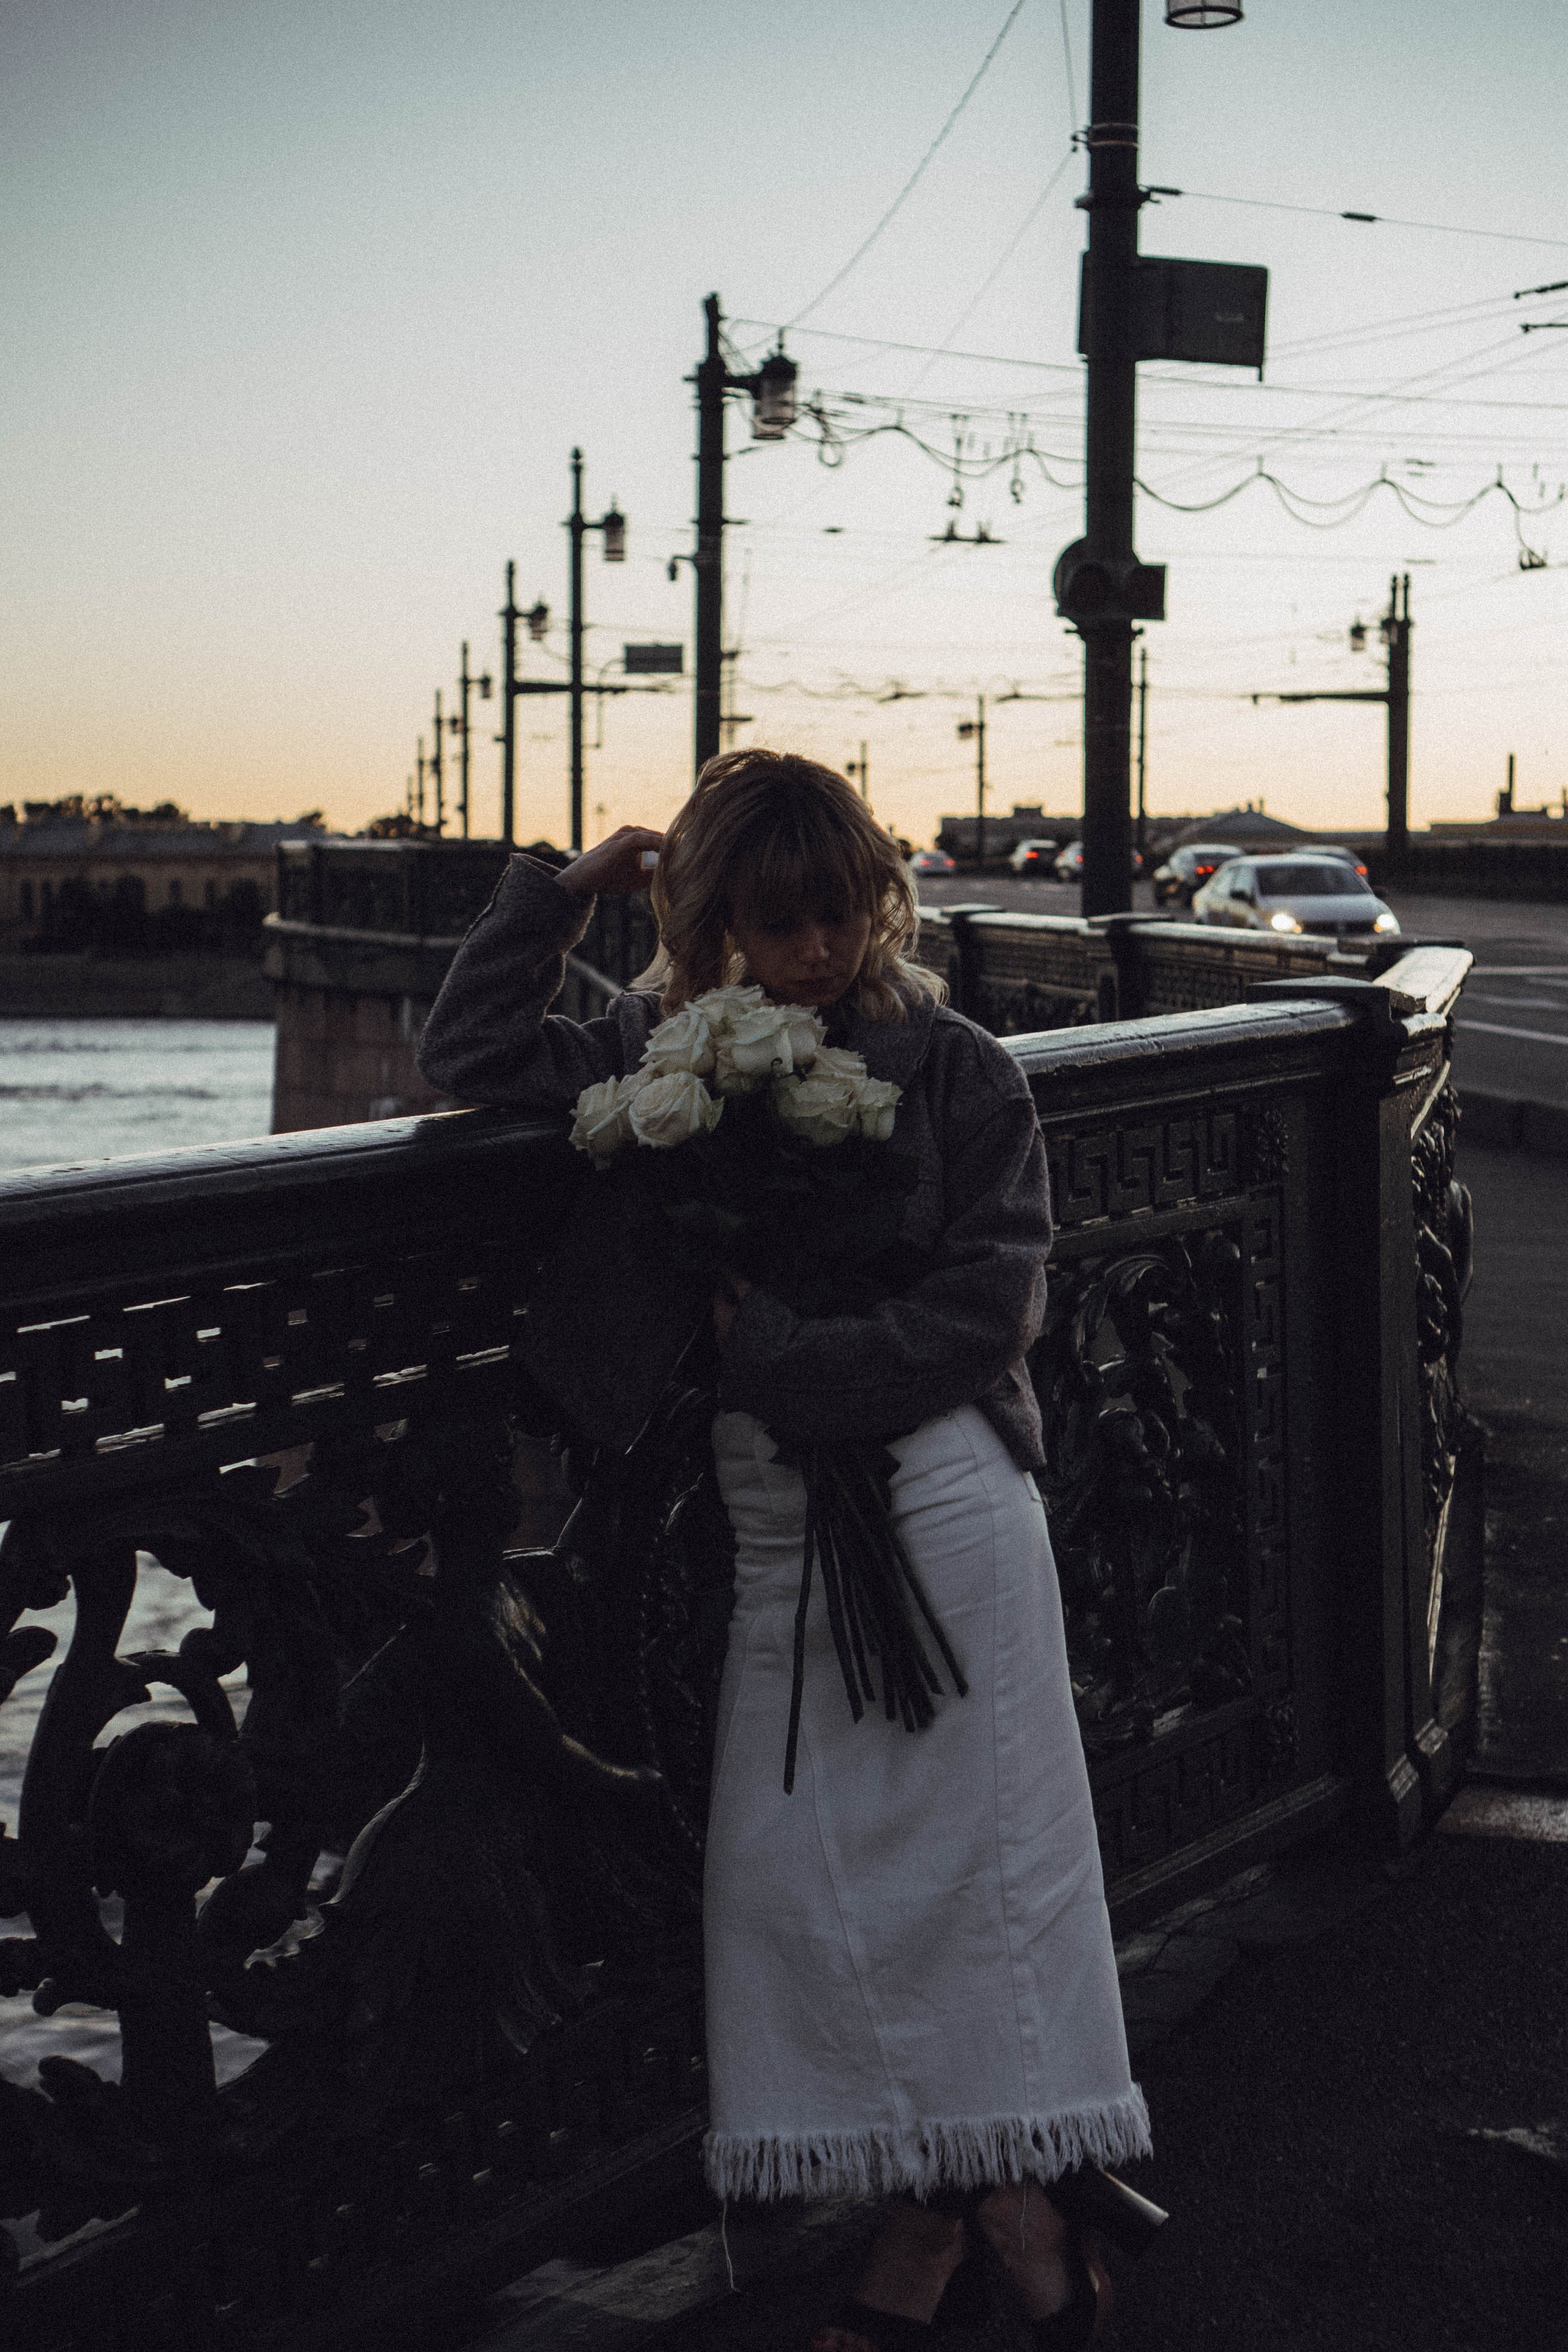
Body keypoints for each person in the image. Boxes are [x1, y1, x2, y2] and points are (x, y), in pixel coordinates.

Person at [417, 750, 1152, 2350]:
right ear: (714, 919)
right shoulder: (661, 1042)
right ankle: (1006, 2211)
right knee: (796, 1888)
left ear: (881, 902)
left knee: (969, 1890)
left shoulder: (957, 1067)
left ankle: (958, 2222)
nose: (810, 952)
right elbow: (468, 1052)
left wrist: (789, 1364)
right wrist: (561, 893)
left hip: (945, 1504)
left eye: (837, 915)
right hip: (777, 1521)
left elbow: (987, 1309)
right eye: (770, 921)